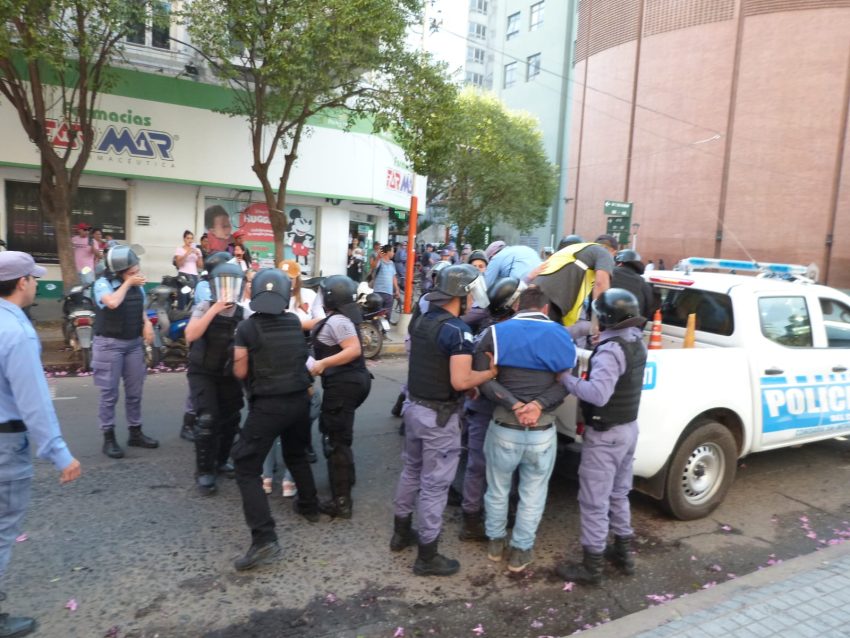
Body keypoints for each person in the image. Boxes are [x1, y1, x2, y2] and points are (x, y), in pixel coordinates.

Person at [390, 264, 496, 576]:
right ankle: (427, 555)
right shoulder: (458, 331)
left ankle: (400, 533)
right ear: (461, 296)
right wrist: (489, 373)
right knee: (435, 485)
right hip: (439, 418)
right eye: (470, 296)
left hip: (414, 408)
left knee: (411, 471)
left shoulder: (422, 321)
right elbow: (461, 380)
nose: (472, 301)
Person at [0, 251, 82, 637]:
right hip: (5, 444)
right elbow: (33, 401)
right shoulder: (17, 333)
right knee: (2, 530)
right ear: (22, 283)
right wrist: (58, 452)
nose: (35, 283)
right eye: (33, 278)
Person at [475, 287, 576, 573]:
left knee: (497, 489)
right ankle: (521, 551)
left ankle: (495, 543)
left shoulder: (495, 333)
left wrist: (515, 404)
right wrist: (537, 405)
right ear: (545, 309)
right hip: (542, 431)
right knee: (533, 493)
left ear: (518, 306)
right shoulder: (562, 335)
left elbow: (483, 380)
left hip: (504, 426)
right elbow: (565, 384)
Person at [555, 288, 648, 585]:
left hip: (606, 436)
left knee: (594, 500)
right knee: (619, 493)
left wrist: (566, 379)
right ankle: (623, 553)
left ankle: (592, 566)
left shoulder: (610, 350)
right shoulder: (636, 341)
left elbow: (598, 393)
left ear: (607, 318)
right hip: (628, 429)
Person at [230, 268, 320, 571]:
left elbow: (240, 371)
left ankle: (264, 539)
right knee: (296, 454)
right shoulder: (293, 320)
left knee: (245, 465)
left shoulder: (246, 328)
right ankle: (309, 506)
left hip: (269, 405)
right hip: (299, 400)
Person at [457, 276, 521, 544]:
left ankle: (474, 517)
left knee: (480, 465)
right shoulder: (500, 333)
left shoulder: (487, 328)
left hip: (482, 407)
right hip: (491, 408)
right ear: (512, 304)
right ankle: (479, 518)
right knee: (493, 465)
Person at [310, 275, 372, 518]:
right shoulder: (341, 318)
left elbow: (353, 350)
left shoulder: (337, 321)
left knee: (335, 440)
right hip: (354, 382)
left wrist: (322, 363)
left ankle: (341, 501)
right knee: (341, 433)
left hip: (343, 385)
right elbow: (312, 324)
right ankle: (347, 477)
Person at [184, 261, 246, 496]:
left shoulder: (243, 312)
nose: (228, 289)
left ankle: (221, 461)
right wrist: (214, 309)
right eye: (223, 284)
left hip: (229, 373)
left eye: (232, 284)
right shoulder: (203, 306)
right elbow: (191, 334)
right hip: (203, 372)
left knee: (231, 418)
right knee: (208, 419)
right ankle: (204, 471)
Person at [92, 245, 158, 458]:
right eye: (131, 272)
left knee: (135, 392)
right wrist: (128, 283)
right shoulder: (102, 284)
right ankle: (108, 437)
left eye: (137, 269)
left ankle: (135, 432)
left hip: (133, 344)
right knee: (109, 394)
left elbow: (140, 308)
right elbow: (112, 303)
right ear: (118, 272)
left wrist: (147, 323)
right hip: (109, 344)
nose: (136, 274)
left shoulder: (137, 286)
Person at [531, 234, 617, 326]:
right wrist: (597, 323)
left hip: (531, 297)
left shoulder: (571, 251)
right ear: (614, 252)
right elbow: (601, 285)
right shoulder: (604, 253)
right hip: (551, 304)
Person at [612, 249, 655, 320]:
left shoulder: (609, 274)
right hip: (631, 323)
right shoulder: (643, 283)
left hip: (605, 322)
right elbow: (648, 308)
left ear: (620, 263)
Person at [175, 230, 203, 309]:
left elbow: (200, 266)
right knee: (182, 296)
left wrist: (199, 256)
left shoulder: (197, 250)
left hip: (194, 276)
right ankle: (180, 313)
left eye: (191, 238)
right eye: (188, 238)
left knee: (192, 297)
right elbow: (179, 264)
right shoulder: (179, 249)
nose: (190, 240)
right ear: (184, 239)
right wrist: (187, 253)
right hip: (183, 275)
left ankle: (190, 314)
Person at [371, 244, 400, 316]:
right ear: (388, 252)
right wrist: (378, 257)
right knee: (377, 315)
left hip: (389, 293)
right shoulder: (380, 261)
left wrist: (397, 289)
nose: (393, 253)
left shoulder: (392, 263)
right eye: (392, 251)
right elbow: (373, 266)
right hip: (378, 292)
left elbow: (393, 277)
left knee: (387, 315)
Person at [71, 222, 100, 287]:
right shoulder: (73, 239)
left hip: (87, 269)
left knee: (87, 288)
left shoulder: (93, 241)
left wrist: (92, 246)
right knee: (77, 289)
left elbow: (99, 255)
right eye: (85, 230)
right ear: (79, 230)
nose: (87, 231)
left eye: (88, 230)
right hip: (75, 269)